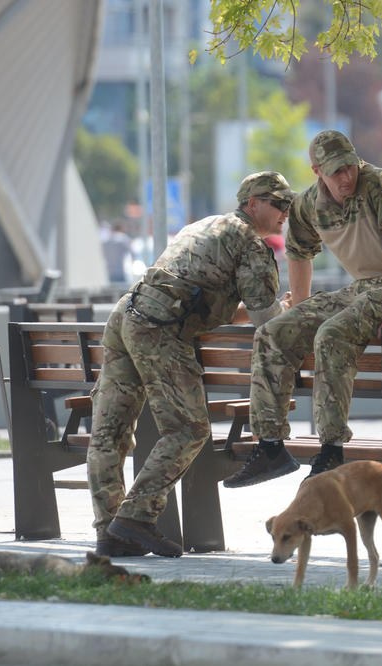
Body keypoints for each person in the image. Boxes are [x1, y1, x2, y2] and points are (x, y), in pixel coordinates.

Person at [87, 171, 295, 557]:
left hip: (127, 315)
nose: (286, 210)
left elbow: (200, 292)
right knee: (189, 429)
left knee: (109, 433)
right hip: (158, 328)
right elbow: (268, 321)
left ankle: (110, 533)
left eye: (288, 204)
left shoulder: (206, 225)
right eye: (277, 202)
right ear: (252, 204)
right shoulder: (251, 243)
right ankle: (135, 517)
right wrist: (286, 312)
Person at [222, 130, 382, 488]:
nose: (345, 177)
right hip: (362, 287)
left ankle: (331, 449)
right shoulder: (308, 205)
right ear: (316, 171)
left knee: (332, 333)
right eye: (335, 171)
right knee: (273, 332)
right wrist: (300, 309)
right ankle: (270, 446)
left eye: (349, 167)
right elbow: (299, 254)